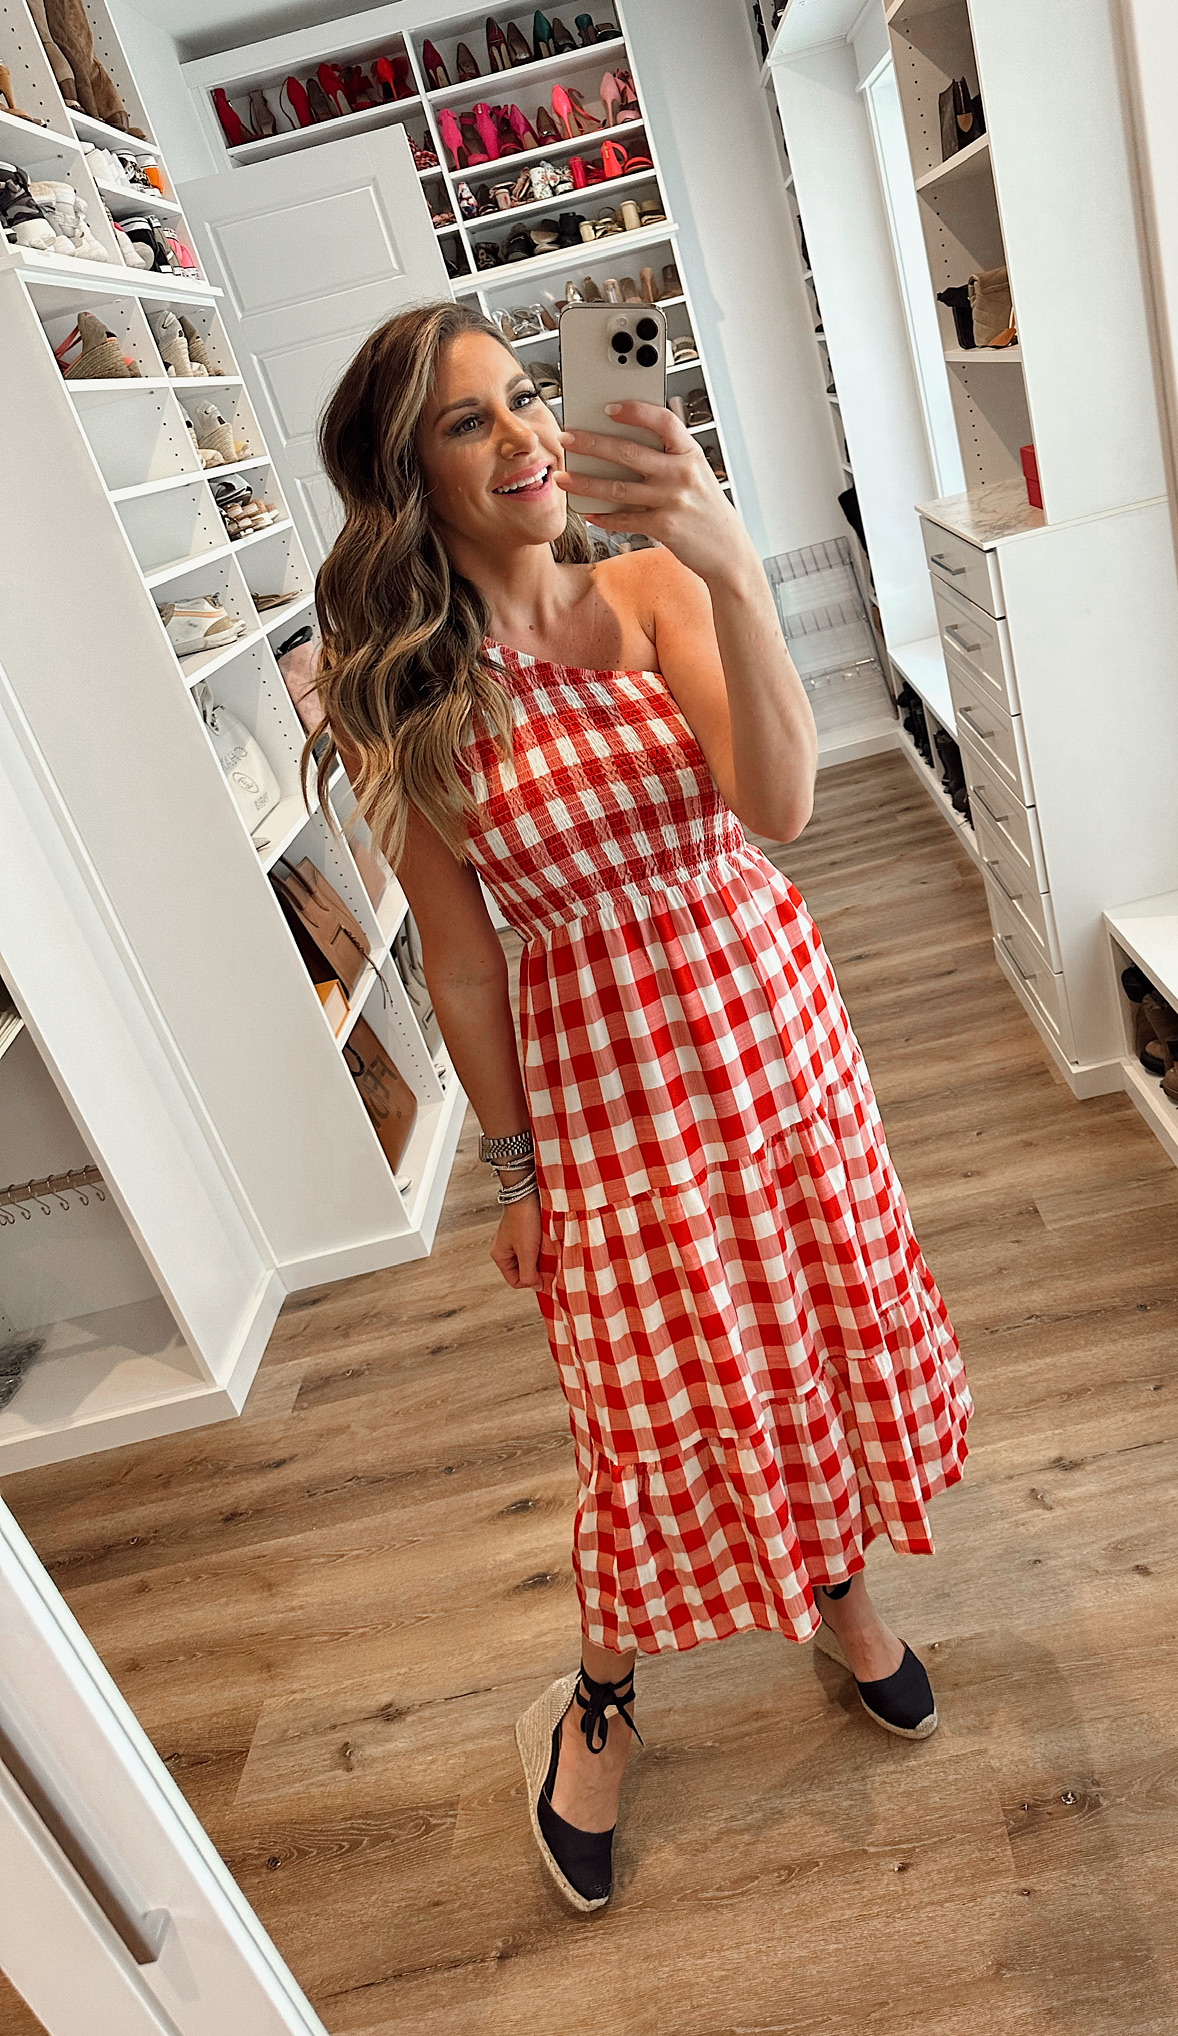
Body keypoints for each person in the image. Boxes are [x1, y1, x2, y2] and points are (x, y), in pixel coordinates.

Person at [311, 302, 970, 1912]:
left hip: (771, 1039)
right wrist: (515, 1172)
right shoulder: (397, 690)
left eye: (527, 397)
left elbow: (781, 805)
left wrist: (732, 562)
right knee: (641, 1413)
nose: (526, 435)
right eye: (470, 421)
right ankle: (598, 1698)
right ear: (410, 477)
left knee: (807, 1330)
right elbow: (463, 963)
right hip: (601, 1084)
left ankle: (835, 1586)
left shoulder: (662, 588)